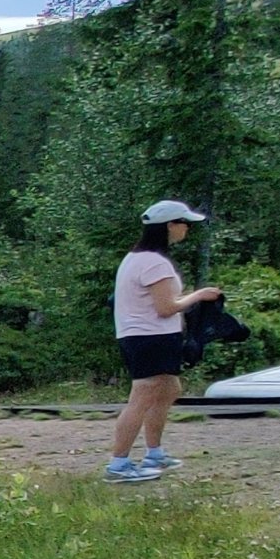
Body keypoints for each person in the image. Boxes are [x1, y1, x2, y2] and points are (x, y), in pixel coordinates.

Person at [108, 199, 222, 483]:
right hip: (149, 337)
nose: (186, 228)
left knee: (169, 388)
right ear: (169, 226)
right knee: (141, 398)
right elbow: (166, 307)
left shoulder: (136, 258)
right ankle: (118, 465)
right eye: (183, 223)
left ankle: (154, 453)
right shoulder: (154, 263)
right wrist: (199, 295)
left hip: (146, 336)